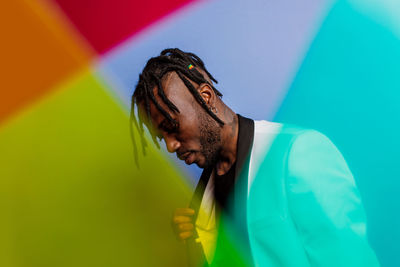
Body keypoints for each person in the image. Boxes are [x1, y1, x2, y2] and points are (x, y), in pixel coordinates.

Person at [131, 48, 379, 266]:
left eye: (172, 126)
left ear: (206, 98)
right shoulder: (202, 196)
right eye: (161, 137)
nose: (171, 146)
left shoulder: (297, 151)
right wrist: (195, 242)